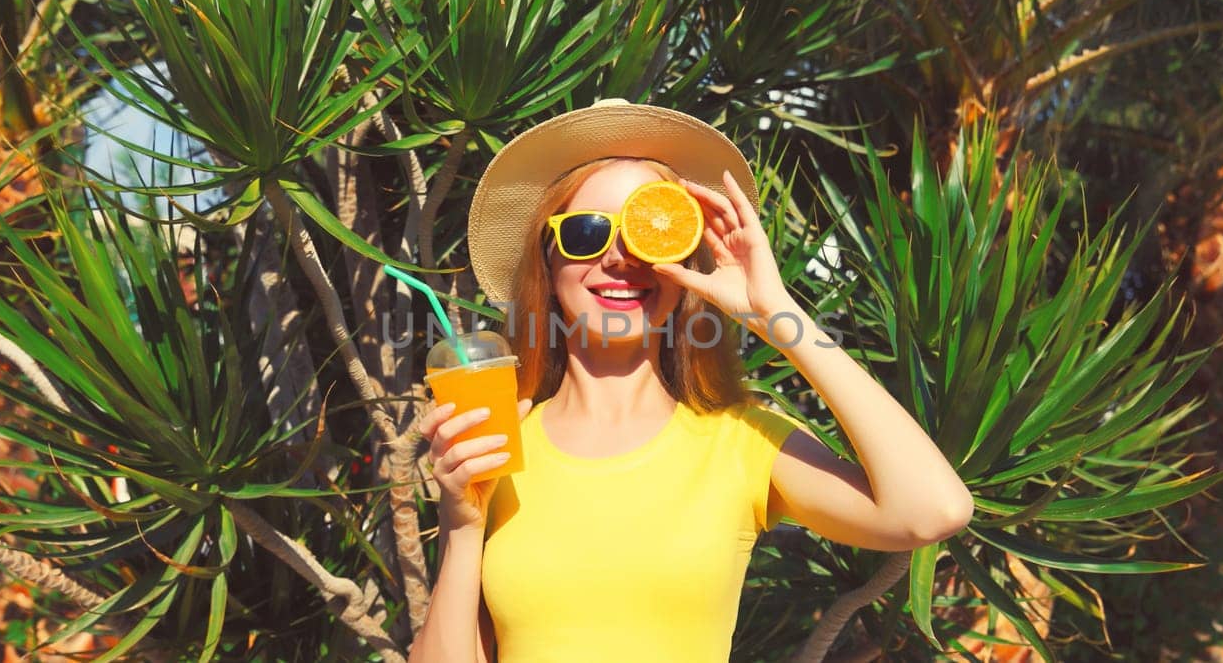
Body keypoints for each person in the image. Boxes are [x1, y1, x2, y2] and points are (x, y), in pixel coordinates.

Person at [407, 100, 972, 662]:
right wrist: (461, 525)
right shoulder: (499, 447)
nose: (620, 258)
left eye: (649, 232)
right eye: (586, 232)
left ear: (684, 266)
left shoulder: (741, 441)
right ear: (548, 264)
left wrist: (776, 313)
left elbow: (933, 511)